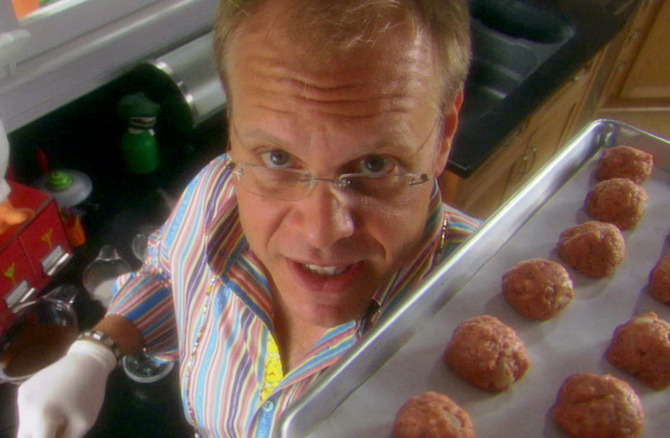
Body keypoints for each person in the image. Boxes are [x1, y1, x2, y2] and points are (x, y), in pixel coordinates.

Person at [16, 0, 478, 436]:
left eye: (375, 164)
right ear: (233, 129)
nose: (320, 233)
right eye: (278, 157)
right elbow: (166, 274)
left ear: (444, 134)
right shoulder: (219, 190)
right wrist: (97, 351)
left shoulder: (482, 319)